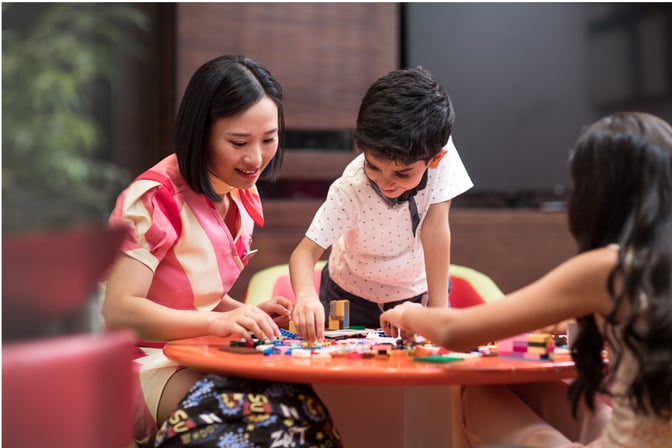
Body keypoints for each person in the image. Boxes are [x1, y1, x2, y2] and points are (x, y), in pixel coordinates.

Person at [380, 111, 672, 447]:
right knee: (531, 388)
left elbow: (455, 332)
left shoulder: (609, 266)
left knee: (476, 392)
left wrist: (406, 313)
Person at [102, 55, 341, 447]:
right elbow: (120, 312)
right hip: (136, 366)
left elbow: (193, 296)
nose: (256, 158)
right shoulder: (153, 199)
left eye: (269, 139)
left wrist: (239, 312)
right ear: (201, 133)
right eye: (238, 142)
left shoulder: (240, 190)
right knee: (250, 415)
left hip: (193, 355)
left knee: (304, 408)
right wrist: (215, 325)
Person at [289, 66, 473, 341]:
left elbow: (435, 231)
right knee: (344, 368)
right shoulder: (351, 187)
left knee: (418, 368)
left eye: (402, 173)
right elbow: (304, 254)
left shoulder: (438, 151)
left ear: (434, 159)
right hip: (348, 293)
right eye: (373, 166)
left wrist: (438, 308)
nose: (386, 182)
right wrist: (305, 297)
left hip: (417, 293)